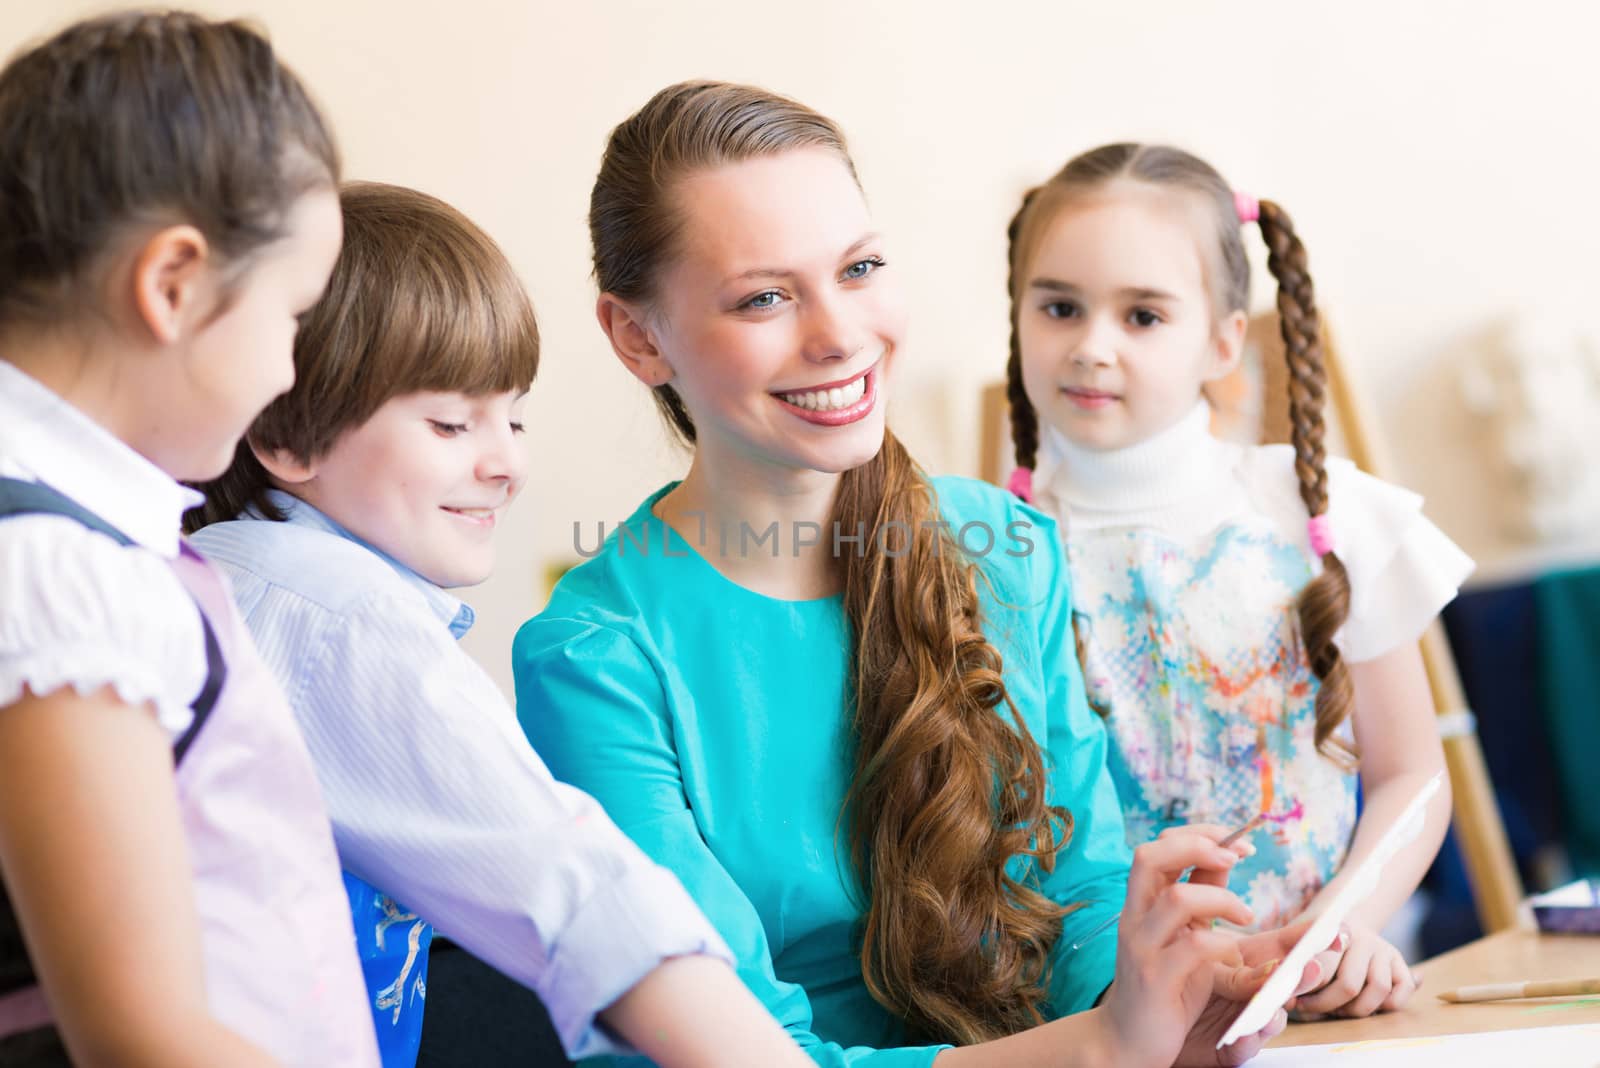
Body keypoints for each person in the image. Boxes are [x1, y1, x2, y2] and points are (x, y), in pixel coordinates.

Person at [515, 82, 1322, 1068]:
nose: (839, 334)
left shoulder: (1005, 548)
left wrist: (1184, 997)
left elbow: (1080, 889)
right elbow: (759, 1054)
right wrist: (1105, 1046)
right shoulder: (595, 657)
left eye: (858, 269)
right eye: (763, 296)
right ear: (638, 336)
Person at [187, 180, 815, 1068]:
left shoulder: (227, 571)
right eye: (450, 422)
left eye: (513, 416)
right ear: (287, 439)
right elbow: (575, 889)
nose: (507, 463)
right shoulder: (338, 611)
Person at [1003, 143, 1469, 1018]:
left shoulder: (1318, 513)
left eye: (1142, 316)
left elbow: (1415, 775)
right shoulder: (986, 549)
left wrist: (1337, 929)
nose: (1091, 347)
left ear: (1222, 340)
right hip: (1100, 1019)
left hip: (1324, 999)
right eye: (1060, 307)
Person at [0, 11, 375, 1065]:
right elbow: (142, 1032)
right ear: (172, 285)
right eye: (292, 317)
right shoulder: (59, 568)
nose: (289, 374)